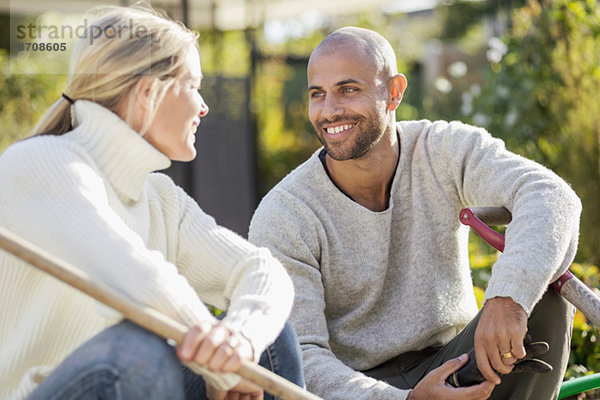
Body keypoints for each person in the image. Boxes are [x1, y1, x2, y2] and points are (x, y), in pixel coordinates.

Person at [248, 26, 581, 400]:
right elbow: (301, 359)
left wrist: (509, 298)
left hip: (455, 363)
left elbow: (550, 194)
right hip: (354, 387)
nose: (329, 111)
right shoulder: (285, 213)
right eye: (317, 95)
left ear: (394, 92)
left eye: (348, 89)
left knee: (546, 298)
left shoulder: (442, 149)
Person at [0, 5, 303, 400]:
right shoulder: (43, 163)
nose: (203, 106)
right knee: (136, 347)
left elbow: (262, 270)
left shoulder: (160, 199)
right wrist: (227, 369)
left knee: (265, 332)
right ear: (148, 91)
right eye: (193, 85)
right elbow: (141, 284)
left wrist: (240, 342)